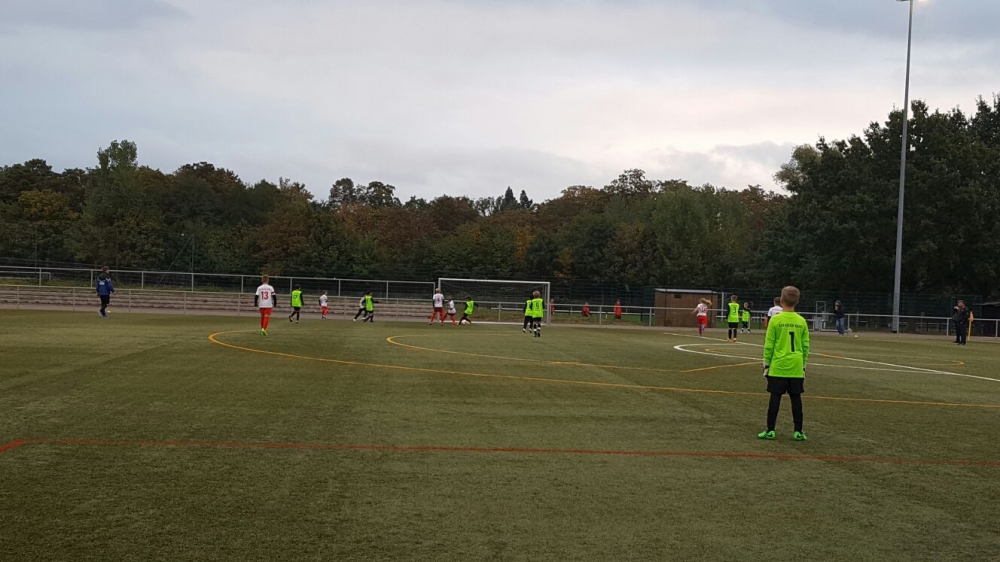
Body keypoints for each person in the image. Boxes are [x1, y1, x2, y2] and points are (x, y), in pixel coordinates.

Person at [758, 286, 810, 441]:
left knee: (775, 397)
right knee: (796, 398)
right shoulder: (801, 321)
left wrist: (766, 364)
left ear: (781, 300)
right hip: (796, 366)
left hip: (779, 365)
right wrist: (803, 366)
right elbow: (805, 346)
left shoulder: (775, 320)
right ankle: (798, 431)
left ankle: (770, 430)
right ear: (797, 301)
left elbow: (769, 344)